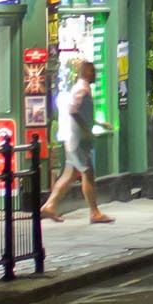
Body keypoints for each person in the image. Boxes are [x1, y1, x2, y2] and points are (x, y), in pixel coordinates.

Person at [41, 59, 112, 224]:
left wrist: (99, 124)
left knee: (70, 174)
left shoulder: (82, 87)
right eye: (93, 71)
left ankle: (50, 206)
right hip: (77, 140)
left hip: (73, 139)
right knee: (88, 173)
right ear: (86, 72)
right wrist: (85, 129)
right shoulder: (81, 88)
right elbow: (73, 110)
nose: (95, 74)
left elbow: (82, 112)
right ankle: (95, 213)